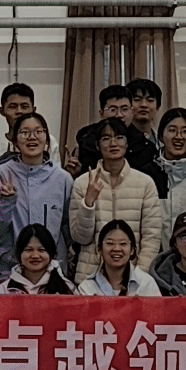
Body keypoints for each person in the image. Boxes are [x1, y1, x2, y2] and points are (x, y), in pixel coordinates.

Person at [70, 117, 164, 284]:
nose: (113, 143)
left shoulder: (145, 183)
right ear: (97, 145)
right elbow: (80, 238)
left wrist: (139, 276)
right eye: (106, 138)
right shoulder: (83, 183)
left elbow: (152, 236)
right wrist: (88, 203)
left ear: (127, 143)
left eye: (119, 137)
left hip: (133, 278)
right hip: (90, 278)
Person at [0, 111, 70, 281]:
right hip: (10, 271)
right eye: (25, 132)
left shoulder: (62, 178)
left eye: (38, 131)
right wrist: (6, 202)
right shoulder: (1, 175)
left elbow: (68, 230)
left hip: (52, 272)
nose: (32, 137)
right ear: (14, 141)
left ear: (47, 139)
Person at [77, 220, 160, 297]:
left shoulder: (146, 284)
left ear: (132, 249)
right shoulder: (87, 287)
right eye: (110, 243)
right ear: (99, 249)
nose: (116, 249)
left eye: (123, 244)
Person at [0, 223, 75, 295]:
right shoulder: (4, 290)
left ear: (51, 253)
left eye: (41, 250)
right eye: (28, 250)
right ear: (19, 253)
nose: (35, 256)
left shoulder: (67, 288)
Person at [156, 109, 186, 217]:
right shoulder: (148, 174)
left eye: (185, 131)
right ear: (161, 135)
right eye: (172, 130)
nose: (179, 137)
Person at [0, 82, 37, 166]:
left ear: (33, 110)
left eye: (24, 107)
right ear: (2, 111)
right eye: (13, 107)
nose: (19, 111)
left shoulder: (45, 142)